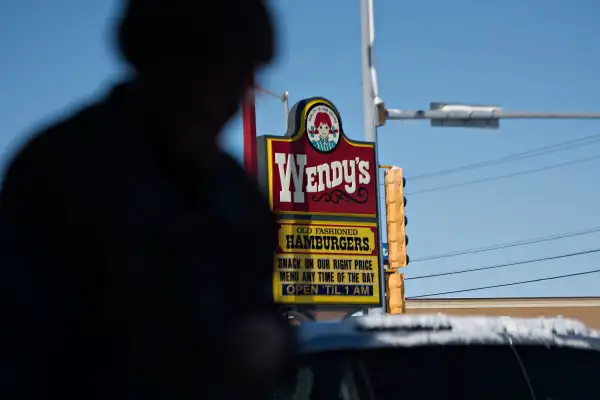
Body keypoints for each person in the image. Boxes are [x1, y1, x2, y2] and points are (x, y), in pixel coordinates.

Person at [0, 0, 295, 398]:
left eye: (246, 79)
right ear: (167, 68)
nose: (235, 98)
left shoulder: (236, 195)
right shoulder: (61, 171)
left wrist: (270, 342)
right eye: (223, 76)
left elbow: (265, 322)